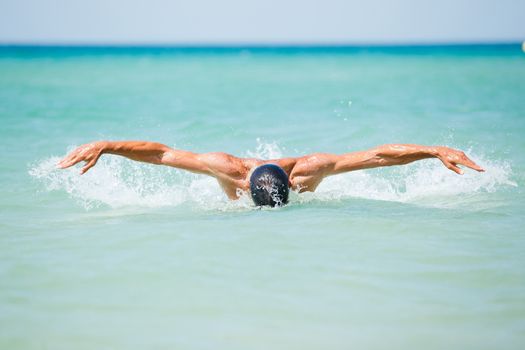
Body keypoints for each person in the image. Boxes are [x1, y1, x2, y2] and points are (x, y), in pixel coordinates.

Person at [58, 141, 484, 207]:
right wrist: (108, 145)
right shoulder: (228, 170)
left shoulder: (308, 172)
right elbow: (163, 154)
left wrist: (433, 151)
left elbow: (377, 157)